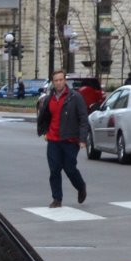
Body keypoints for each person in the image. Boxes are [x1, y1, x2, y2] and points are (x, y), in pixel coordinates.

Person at [35, 69, 92, 210]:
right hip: (53, 140)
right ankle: (57, 199)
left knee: (69, 168)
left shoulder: (75, 97)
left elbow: (83, 119)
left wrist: (82, 139)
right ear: (53, 83)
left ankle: (81, 186)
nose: (59, 82)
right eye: (56, 80)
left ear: (65, 81)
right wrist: (44, 131)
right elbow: (45, 117)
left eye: (61, 80)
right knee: (54, 170)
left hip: (70, 140)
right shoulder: (49, 99)